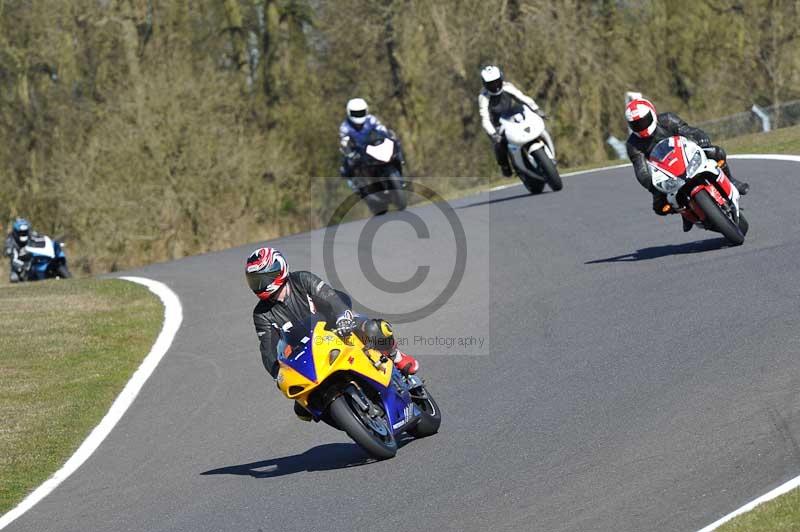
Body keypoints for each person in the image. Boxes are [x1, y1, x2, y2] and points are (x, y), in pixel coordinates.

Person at [245, 247, 419, 420]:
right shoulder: (261, 314)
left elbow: (330, 297)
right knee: (303, 409)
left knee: (374, 329)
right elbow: (267, 347)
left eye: (262, 279)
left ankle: (396, 356)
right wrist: (277, 373)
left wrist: (343, 315)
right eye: (254, 281)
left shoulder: (302, 279)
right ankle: (350, 416)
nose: (259, 285)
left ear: (279, 269)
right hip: (307, 352)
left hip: (336, 327)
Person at [625, 98, 750, 231]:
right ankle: (686, 213)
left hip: (687, 156)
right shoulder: (633, 145)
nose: (642, 126)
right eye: (636, 124)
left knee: (717, 153)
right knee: (660, 207)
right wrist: (651, 185)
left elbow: (689, 131)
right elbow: (641, 170)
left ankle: (730, 180)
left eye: (643, 121)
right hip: (665, 174)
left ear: (652, 113)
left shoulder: (667, 119)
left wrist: (701, 139)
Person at [478, 65, 553, 177]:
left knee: (535, 124)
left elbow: (522, 97)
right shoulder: (483, 97)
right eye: (491, 84)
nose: (495, 86)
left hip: (511, 116)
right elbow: (485, 118)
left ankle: (549, 155)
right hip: (496, 125)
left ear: (501, 79)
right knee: (499, 144)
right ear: (485, 84)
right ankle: (505, 166)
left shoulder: (507, 87)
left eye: (496, 82)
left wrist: (536, 109)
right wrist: (493, 134)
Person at [338, 97, 404, 193]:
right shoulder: (345, 126)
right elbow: (344, 141)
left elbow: (381, 128)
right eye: (356, 113)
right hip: (359, 150)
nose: (359, 115)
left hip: (374, 146)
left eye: (361, 112)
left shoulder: (371, 119)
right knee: (347, 164)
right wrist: (349, 151)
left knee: (395, 142)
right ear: (349, 113)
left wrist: (387, 136)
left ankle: (400, 163)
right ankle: (355, 185)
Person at [4, 218, 31, 283]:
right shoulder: (10, 241)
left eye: (25, 232)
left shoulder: (31, 237)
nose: (23, 234)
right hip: (18, 267)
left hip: (31, 263)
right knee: (14, 278)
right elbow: (11, 257)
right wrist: (24, 266)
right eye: (21, 232)